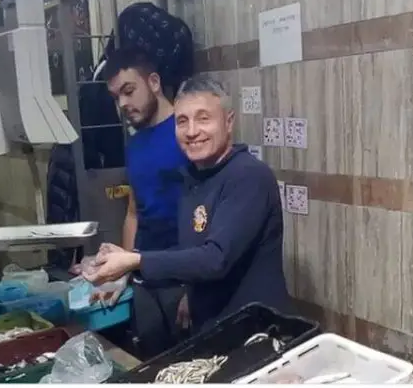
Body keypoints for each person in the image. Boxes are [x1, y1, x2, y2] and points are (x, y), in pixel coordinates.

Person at [84, 76, 291, 334]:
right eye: (182, 121)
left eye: (204, 118)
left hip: (255, 331)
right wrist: (189, 294)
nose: (192, 131)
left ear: (228, 121)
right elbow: (193, 251)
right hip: (212, 329)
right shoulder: (192, 178)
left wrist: (134, 260)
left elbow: (215, 259)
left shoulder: (248, 176)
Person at [94, 49, 190, 359]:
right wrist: (122, 271)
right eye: (116, 96)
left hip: (183, 279)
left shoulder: (187, 133)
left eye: (129, 91)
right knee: (152, 364)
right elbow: (134, 213)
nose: (122, 104)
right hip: (145, 280)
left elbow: (210, 216)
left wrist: (197, 288)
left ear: (154, 82)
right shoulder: (134, 144)